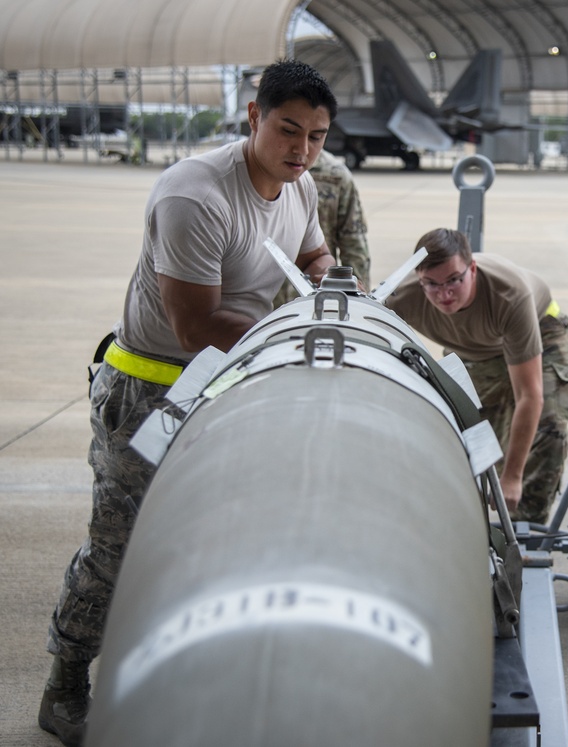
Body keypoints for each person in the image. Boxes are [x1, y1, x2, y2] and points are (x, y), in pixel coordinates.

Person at [39, 59, 339, 747]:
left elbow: (314, 253)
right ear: (254, 117)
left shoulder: (301, 189)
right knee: (118, 547)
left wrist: (332, 281)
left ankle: (191, 674)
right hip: (151, 389)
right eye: (288, 129)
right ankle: (64, 686)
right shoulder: (195, 194)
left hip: (229, 385)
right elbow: (195, 325)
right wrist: (294, 334)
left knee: (222, 542)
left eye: (317, 136)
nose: (301, 149)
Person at [386, 228, 568, 524]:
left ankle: (526, 530)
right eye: (431, 284)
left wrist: (514, 477)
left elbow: (530, 395)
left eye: (454, 280)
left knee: (547, 426)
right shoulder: (404, 296)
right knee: (476, 433)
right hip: (478, 351)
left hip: (539, 329)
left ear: (472, 269)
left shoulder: (509, 295)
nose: (444, 293)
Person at [273, 147, 370, 305]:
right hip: (268, 303)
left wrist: (358, 302)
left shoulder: (336, 175)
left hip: (316, 299)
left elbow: (354, 246)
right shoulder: (263, 171)